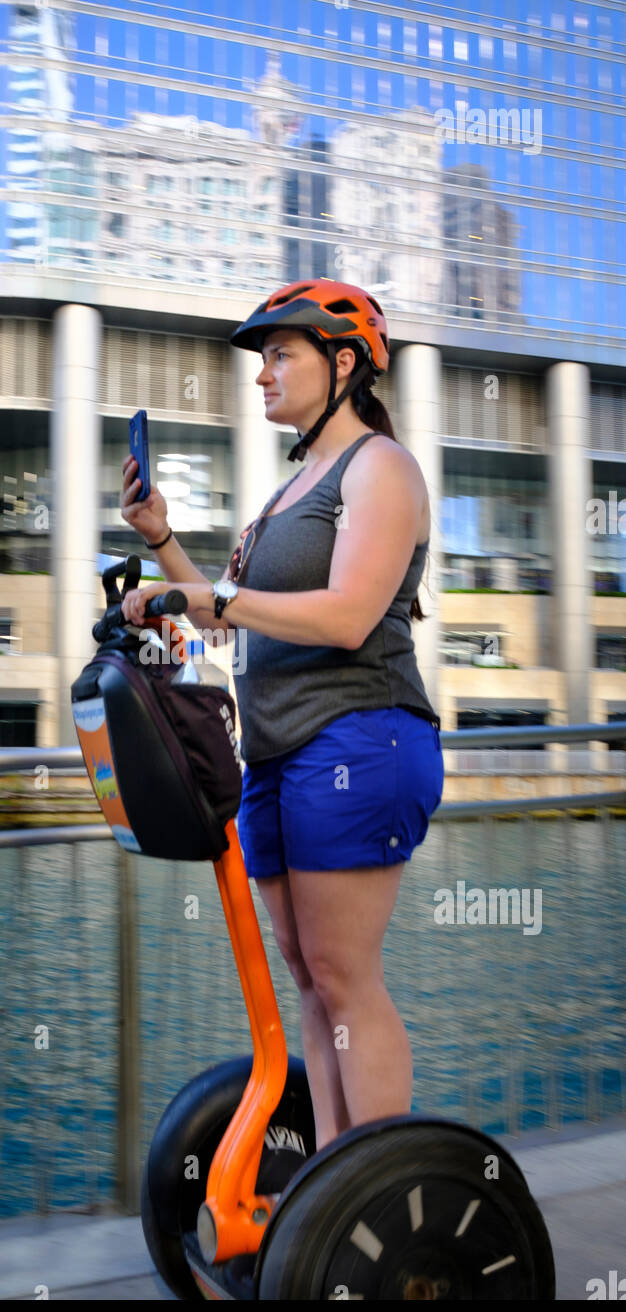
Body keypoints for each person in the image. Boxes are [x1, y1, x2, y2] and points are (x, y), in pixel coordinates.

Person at [119, 279, 444, 1151]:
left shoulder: (380, 467)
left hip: (360, 736)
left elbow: (343, 617)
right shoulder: (286, 491)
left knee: (347, 975)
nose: (263, 373)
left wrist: (205, 590)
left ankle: (373, 1193)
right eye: (263, 357)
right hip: (274, 752)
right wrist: (160, 539)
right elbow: (226, 605)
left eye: (280, 354)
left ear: (344, 364)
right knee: (307, 976)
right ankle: (331, 1189)